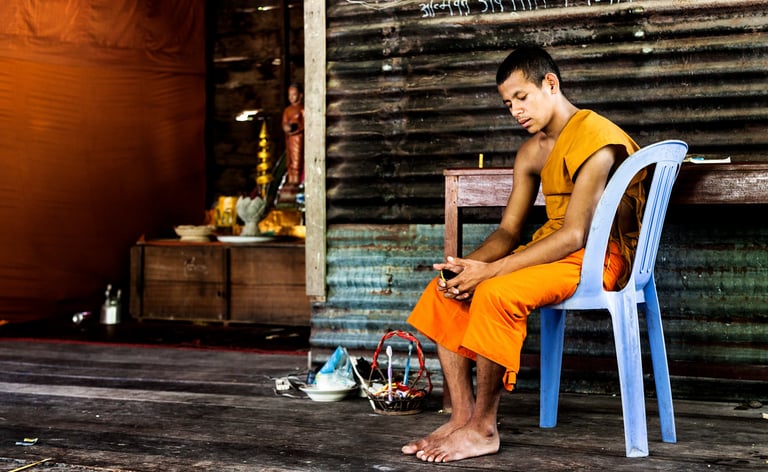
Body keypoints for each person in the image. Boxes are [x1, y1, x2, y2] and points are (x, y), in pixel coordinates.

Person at [402, 45, 645, 463]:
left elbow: (575, 234)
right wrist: (466, 267)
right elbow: (509, 231)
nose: (515, 110)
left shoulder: (596, 136)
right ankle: (461, 418)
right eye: (507, 103)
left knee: (495, 292)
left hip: (598, 257)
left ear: (550, 84)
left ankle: (483, 429)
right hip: (552, 252)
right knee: (445, 291)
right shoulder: (531, 152)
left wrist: (490, 273)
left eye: (522, 97)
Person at [278, 83, 305, 204]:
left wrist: (296, 128)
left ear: (300, 95)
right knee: (290, 160)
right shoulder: (287, 110)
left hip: (299, 138)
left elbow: (306, 123)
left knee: (297, 160)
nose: (291, 97)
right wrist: (287, 127)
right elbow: (284, 123)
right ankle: (291, 180)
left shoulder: (302, 109)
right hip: (289, 138)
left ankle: (297, 181)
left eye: (294, 94)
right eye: (290, 95)